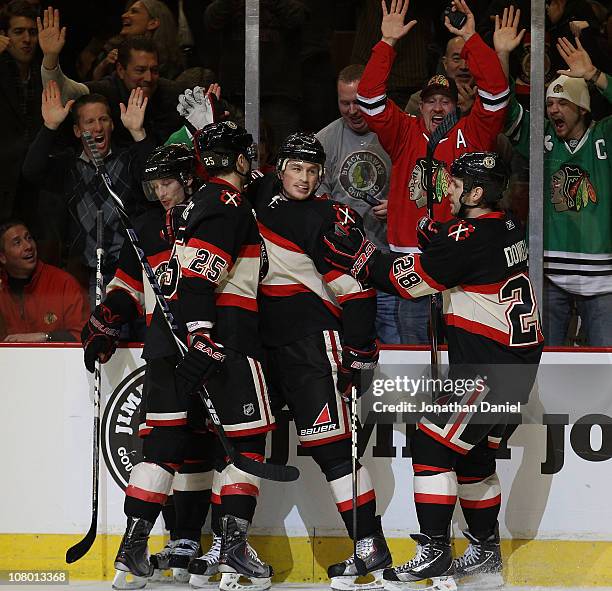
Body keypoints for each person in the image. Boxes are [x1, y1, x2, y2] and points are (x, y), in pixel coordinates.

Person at [322, 151, 543, 587]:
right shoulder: (506, 224)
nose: (450, 190)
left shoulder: (469, 238)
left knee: (430, 446)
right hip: (516, 367)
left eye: (459, 185)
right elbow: (462, 246)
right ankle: (484, 557)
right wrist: (439, 234)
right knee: (474, 459)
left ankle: (435, 552)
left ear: (478, 193)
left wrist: (360, 254)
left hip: (489, 369)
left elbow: (407, 283)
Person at [254, 132, 391, 589]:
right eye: (297, 168)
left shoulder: (326, 217)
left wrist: (358, 353)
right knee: (242, 441)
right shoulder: (261, 196)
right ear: (281, 169)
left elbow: (357, 289)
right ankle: (227, 543)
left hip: (314, 345)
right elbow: (230, 174)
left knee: (333, 448)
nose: (305, 178)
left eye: (313, 171)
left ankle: (369, 544)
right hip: (266, 345)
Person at [81, 143, 218, 586]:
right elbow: (127, 289)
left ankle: (185, 538)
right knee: (164, 445)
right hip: (165, 350)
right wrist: (108, 318)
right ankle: (135, 544)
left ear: (189, 179)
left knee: (200, 444)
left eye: (168, 182)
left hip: (210, 347)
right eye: (154, 184)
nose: (161, 192)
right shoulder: (143, 228)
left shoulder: (210, 220)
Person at [356, 0, 510, 344]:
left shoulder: (472, 133)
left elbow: (497, 94)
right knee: (415, 352)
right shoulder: (403, 131)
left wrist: (470, 38)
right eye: (431, 100)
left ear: (456, 105)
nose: (438, 107)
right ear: (420, 104)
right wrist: (387, 43)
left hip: (460, 264)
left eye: (445, 100)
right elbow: (368, 98)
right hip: (412, 262)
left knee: (462, 352)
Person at [500, 34, 612, 345]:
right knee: (544, 367)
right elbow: (504, 109)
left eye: (563, 102)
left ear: (583, 108)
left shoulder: (604, 136)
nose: (553, 110)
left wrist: (594, 76)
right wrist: (502, 55)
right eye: (549, 103)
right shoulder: (542, 137)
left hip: (602, 282)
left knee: (605, 369)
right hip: (547, 277)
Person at [22, 82, 153, 306]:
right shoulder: (68, 166)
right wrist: (49, 126)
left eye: (103, 119)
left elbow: (155, 179)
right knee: (97, 335)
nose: (98, 127)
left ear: (112, 124)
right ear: (77, 130)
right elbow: (31, 171)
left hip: (131, 272)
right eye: (89, 121)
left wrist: (138, 133)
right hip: (85, 275)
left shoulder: (128, 159)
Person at [315, 64, 400, 344]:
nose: (352, 110)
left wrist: (399, 207)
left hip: (389, 263)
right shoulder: (324, 141)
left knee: (394, 347)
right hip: (345, 268)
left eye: (358, 102)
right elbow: (315, 199)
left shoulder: (398, 131)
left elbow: (423, 187)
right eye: (345, 103)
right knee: (349, 348)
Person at [37, 7, 186, 147]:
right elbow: (60, 91)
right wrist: (51, 57)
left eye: (154, 70)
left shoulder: (172, 93)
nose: (148, 77)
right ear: (121, 70)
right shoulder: (104, 91)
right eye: (140, 70)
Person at [0, 219, 88, 342]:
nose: (28, 246)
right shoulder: (2, 291)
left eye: (29, 238)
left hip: (57, 360)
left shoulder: (64, 283)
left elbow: (84, 335)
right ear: (2, 257)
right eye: (17, 243)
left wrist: (45, 337)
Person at [0, 0, 42, 222]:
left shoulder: (44, 71)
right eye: (18, 32)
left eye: (32, 32)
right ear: (4, 35)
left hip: (36, 187)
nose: (27, 40)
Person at [404, 35, 475, 116]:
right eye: (456, 59)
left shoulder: (489, 100)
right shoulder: (421, 99)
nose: (463, 66)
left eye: (470, 58)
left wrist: (473, 111)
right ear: (445, 63)